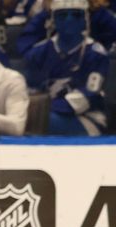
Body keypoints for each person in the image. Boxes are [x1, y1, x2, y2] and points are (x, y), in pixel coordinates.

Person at [24, 0, 109, 135]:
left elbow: (88, 96)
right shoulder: (38, 52)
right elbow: (31, 91)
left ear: (85, 19)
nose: (69, 20)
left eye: (75, 15)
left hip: (88, 117)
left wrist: (43, 109)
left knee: (45, 121)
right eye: (62, 15)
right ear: (53, 20)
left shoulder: (96, 54)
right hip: (44, 114)